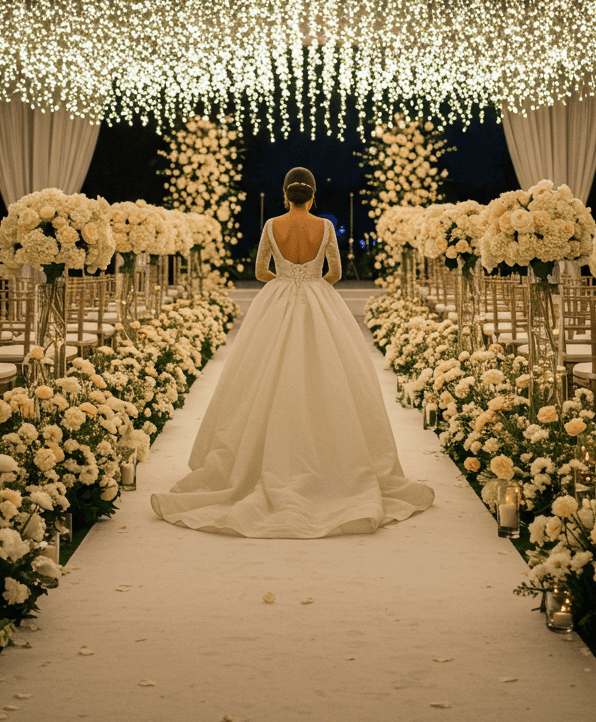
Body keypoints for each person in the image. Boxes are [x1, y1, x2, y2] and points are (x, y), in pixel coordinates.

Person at [150, 167, 434, 538]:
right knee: (330, 376)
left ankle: (252, 463)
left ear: (285, 196)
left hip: (277, 300)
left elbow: (259, 271)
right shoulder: (325, 227)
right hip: (319, 298)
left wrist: (285, 279)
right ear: (313, 196)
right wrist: (312, 281)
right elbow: (335, 271)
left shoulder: (271, 225)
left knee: (261, 375)